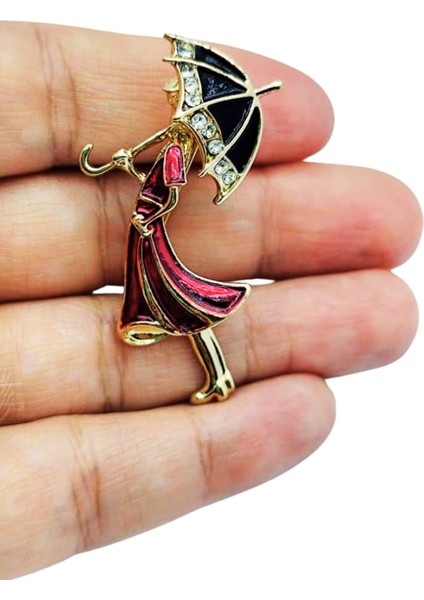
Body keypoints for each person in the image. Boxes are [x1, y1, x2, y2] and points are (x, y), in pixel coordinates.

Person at [0, 21, 421, 578]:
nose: (172, 91)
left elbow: (170, 189)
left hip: (149, 224)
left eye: (178, 91)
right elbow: (153, 164)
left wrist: (148, 204)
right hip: (142, 225)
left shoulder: (180, 147)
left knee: (176, 295)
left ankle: (199, 361)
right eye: (177, 89)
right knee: (164, 290)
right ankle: (163, 337)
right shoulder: (174, 137)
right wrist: (128, 160)